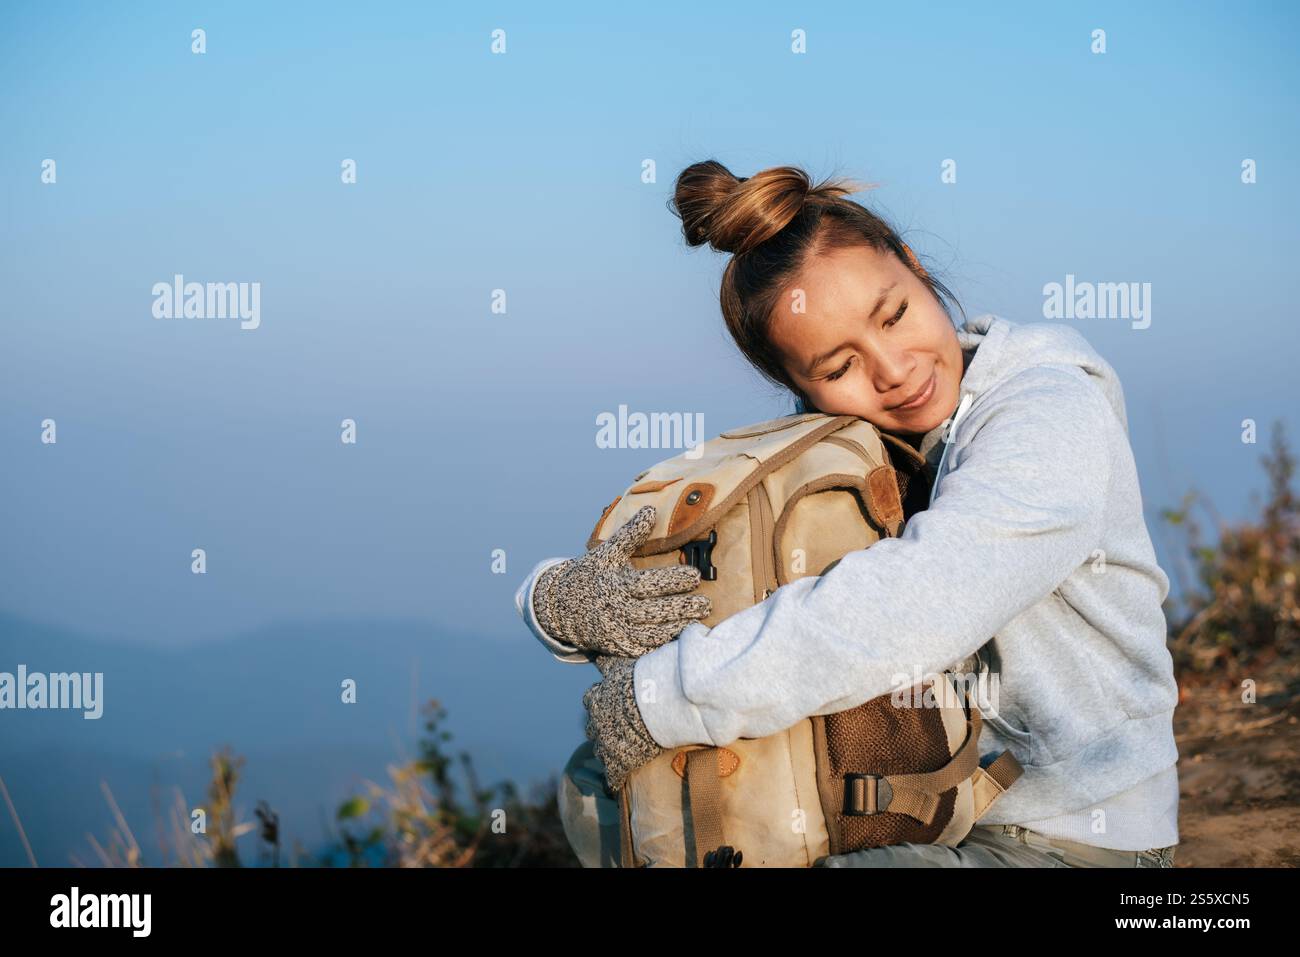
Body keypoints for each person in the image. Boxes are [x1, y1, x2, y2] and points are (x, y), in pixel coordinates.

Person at [515, 161, 1180, 867]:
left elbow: (920, 598)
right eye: (838, 368)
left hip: (1071, 836)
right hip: (913, 813)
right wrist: (557, 603)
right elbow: (721, 567)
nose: (893, 369)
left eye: (893, 314)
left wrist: (660, 698)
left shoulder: (1048, 411)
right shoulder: (839, 458)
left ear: (915, 266)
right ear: (794, 386)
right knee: (604, 790)